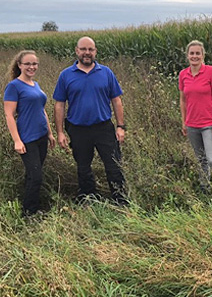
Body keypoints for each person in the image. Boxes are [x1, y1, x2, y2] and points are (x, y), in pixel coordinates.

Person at [53, 36, 128, 206]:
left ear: (95, 52)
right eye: (83, 49)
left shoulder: (106, 72)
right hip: (78, 129)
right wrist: (60, 132)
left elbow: (116, 100)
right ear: (77, 51)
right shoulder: (66, 75)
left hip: (103, 128)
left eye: (91, 49)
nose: (87, 53)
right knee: (83, 167)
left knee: (113, 165)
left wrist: (121, 126)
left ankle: (121, 200)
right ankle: (88, 199)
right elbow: (59, 105)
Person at [3, 50, 56, 215]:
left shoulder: (36, 85)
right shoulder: (14, 86)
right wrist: (17, 140)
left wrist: (49, 133)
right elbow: (9, 115)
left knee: (33, 175)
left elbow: (42, 110)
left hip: (41, 136)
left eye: (34, 64)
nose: (31, 67)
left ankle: (30, 206)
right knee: (36, 176)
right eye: (27, 64)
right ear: (19, 65)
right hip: (27, 138)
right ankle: (29, 213)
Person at [179, 40, 212, 200]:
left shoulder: (211, 72)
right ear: (187, 56)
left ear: (203, 55)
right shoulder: (183, 74)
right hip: (192, 124)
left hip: (208, 124)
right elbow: (182, 100)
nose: (194, 56)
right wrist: (184, 122)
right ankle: (205, 189)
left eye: (197, 53)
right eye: (192, 53)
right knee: (201, 160)